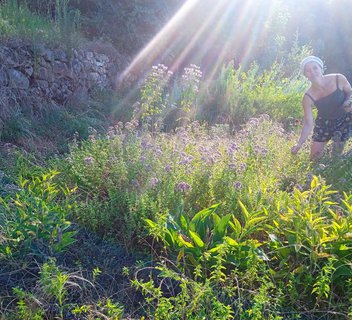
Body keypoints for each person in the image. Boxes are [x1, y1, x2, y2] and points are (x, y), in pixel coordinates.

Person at [291, 55, 352, 160]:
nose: (312, 72)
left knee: (335, 155)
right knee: (314, 159)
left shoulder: (338, 78)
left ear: (321, 68)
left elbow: (350, 92)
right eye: (308, 70)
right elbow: (308, 123)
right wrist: (299, 144)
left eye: (315, 68)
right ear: (305, 75)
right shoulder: (307, 97)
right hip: (324, 123)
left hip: (345, 118)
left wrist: (347, 102)